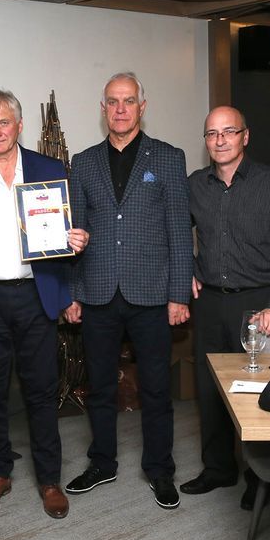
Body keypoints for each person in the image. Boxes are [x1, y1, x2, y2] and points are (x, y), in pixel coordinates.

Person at [0, 90, 88, 520]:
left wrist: (76, 240)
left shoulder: (49, 169)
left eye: (3, 122)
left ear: (19, 126)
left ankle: (49, 479)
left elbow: (68, 229)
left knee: (41, 392)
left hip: (35, 296)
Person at [64, 72, 193, 510]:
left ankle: (160, 470)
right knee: (100, 387)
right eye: (113, 102)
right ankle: (102, 463)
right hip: (98, 292)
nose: (120, 109)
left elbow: (180, 231)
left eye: (129, 101)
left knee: (155, 389)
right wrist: (73, 292)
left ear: (142, 106)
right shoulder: (83, 162)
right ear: (103, 108)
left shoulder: (169, 158)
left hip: (152, 294)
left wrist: (179, 294)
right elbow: (76, 233)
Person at [179, 106, 270, 507]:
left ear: (245, 137)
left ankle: (260, 476)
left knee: (258, 392)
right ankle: (218, 469)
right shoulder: (194, 185)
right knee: (209, 388)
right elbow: (174, 234)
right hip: (210, 301)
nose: (219, 140)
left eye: (229, 131)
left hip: (259, 303)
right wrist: (186, 271)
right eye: (211, 133)